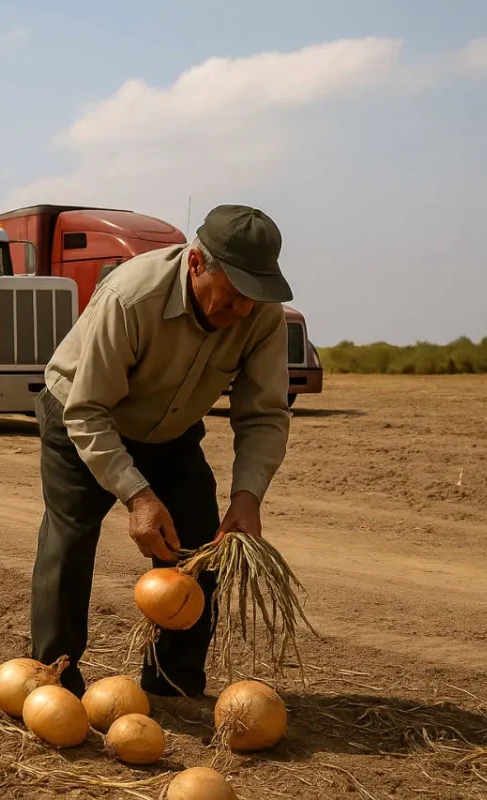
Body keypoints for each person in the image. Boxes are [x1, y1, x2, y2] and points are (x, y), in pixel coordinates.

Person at [31, 204, 293, 703]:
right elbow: (88, 412)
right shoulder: (132, 296)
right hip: (82, 415)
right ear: (197, 264)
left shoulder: (259, 314)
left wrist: (248, 496)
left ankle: (173, 684)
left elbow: (263, 414)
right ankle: (54, 681)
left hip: (170, 430)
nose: (242, 311)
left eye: (253, 299)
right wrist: (136, 495)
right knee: (69, 541)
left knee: (199, 545)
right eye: (235, 295)